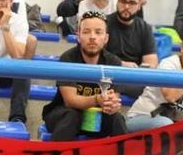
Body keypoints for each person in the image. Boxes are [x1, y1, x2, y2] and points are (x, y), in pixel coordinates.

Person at [42, 11, 125, 141]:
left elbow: (114, 99)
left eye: (98, 32)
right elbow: (70, 101)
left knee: (117, 119)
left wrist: (112, 105)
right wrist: (97, 99)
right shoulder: (68, 58)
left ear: (106, 38)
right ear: (78, 36)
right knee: (72, 116)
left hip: (97, 116)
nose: (92, 37)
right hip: (64, 113)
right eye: (86, 32)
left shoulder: (114, 63)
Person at [126, 25, 183, 132]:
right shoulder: (168, 64)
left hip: (174, 127)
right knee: (166, 124)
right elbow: (171, 96)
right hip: (142, 118)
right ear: (182, 47)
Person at [105, 0, 158, 72]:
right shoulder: (103, 23)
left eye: (132, 3)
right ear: (117, 1)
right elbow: (96, 55)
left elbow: (151, 60)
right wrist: (121, 64)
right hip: (108, 73)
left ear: (139, 6)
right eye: (123, 1)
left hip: (135, 76)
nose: (126, 7)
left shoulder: (145, 28)